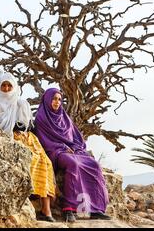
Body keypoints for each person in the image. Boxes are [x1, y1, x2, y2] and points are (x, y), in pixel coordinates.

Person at [0, 73, 57, 222]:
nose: (6, 88)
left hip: (25, 137)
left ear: (14, 87)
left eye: (9, 85)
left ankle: (46, 208)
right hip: (5, 139)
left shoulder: (21, 103)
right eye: (3, 85)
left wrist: (20, 128)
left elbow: (27, 124)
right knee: (31, 160)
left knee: (45, 162)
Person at [34, 88, 111, 223]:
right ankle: (69, 208)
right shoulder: (41, 117)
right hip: (55, 151)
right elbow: (44, 140)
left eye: (59, 99)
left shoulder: (65, 117)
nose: (57, 102)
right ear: (47, 100)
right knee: (73, 164)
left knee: (94, 164)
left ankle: (95, 209)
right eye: (54, 99)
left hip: (72, 150)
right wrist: (63, 147)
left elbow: (76, 138)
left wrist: (75, 148)